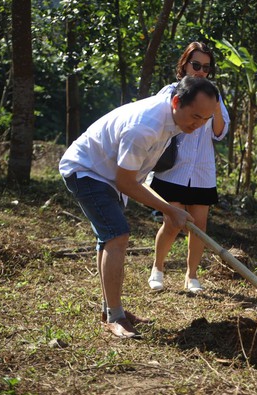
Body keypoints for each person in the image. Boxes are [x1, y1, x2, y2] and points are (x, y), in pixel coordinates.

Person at [59, 76, 221, 339]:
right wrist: (170, 209)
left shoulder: (175, 121)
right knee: (117, 235)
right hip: (87, 170)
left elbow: (133, 175)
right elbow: (126, 182)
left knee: (109, 237)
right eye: (195, 116)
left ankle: (110, 309)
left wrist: (169, 207)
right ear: (177, 102)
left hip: (107, 173)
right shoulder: (145, 126)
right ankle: (115, 317)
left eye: (205, 119)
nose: (199, 124)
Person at [147, 42, 230, 294]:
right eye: (196, 65)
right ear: (184, 64)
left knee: (200, 226)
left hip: (202, 171)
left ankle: (191, 275)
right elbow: (160, 123)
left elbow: (219, 132)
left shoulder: (213, 96)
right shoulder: (171, 91)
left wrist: (214, 103)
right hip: (174, 168)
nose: (200, 71)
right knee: (172, 222)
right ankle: (157, 268)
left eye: (206, 67)